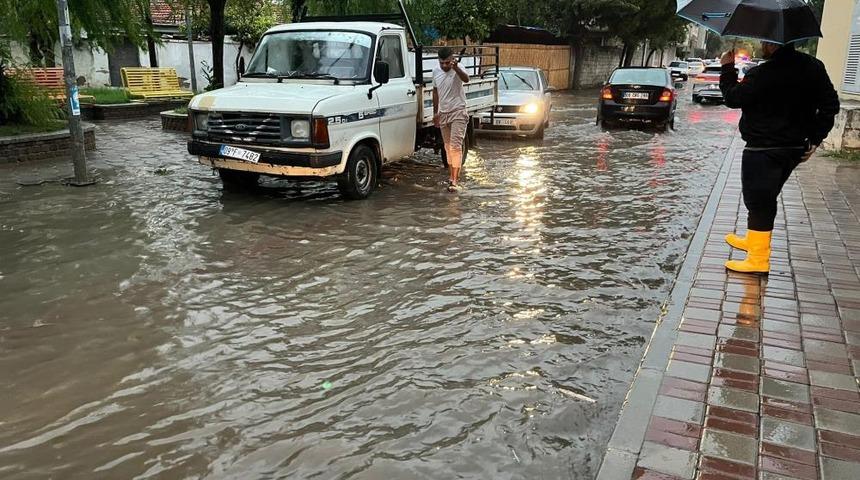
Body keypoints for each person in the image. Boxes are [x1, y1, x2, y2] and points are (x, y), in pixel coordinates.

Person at [719, 41, 839, 274]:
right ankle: (756, 239)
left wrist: (727, 67)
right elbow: (830, 105)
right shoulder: (814, 67)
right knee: (766, 197)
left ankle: (758, 259)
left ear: (773, 44)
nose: (763, 44)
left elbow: (733, 98)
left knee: (759, 201)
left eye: (765, 41)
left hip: (763, 149)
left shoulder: (763, 74)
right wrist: (814, 139)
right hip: (794, 147)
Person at [432, 47, 470, 192]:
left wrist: (456, 68)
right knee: (447, 147)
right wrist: (436, 113)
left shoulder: (458, 68)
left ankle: (455, 180)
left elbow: (466, 79)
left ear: (452, 60)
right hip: (443, 113)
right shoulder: (436, 71)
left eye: (447, 63)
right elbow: (435, 91)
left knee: (455, 146)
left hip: (458, 111)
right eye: (442, 63)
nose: (445, 66)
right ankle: (451, 176)